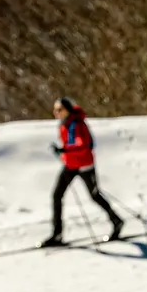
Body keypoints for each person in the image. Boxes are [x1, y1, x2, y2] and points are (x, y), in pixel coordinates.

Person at [44, 96, 123, 247]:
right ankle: (57, 233)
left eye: (59, 109)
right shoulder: (64, 124)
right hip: (71, 165)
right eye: (55, 110)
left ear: (68, 110)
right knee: (56, 196)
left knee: (94, 196)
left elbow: (83, 145)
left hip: (85, 165)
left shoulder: (77, 123)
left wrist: (64, 149)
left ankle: (117, 221)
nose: (56, 112)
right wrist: (63, 152)